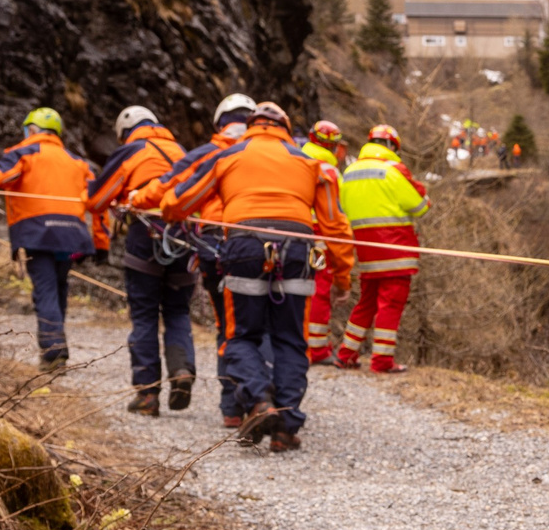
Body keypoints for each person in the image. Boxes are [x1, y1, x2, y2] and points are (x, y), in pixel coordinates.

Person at [154, 100, 349, 451]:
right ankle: (286, 428)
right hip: (296, 249)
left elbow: (177, 202)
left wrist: (171, 212)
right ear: (287, 129)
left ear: (251, 125)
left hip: (243, 245)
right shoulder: (312, 162)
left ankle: (259, 401)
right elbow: (336, 226)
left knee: (241, 336)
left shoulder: (228, 156)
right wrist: (343, 278)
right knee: (290, 340)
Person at [132, 93, 256, 424]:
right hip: (276, 246)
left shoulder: (209, 153)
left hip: (218, 246)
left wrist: (136, 200)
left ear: (220, 122)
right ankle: (262, 401)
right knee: (263, 327)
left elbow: (168, 187)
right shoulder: (272, 152)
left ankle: (233, 406)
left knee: (228, 327)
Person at [0, 108, 95, 367]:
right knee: (59, 287)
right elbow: (94, 192)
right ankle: (56, 343)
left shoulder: (24, 153)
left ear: (32, 130)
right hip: (71, 233)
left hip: (38, 232)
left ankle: (53, 350)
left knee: (45, 289)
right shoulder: (77, 161)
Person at [87, 106, 195, 415]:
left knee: (146, 314)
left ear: (124, 132)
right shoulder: (181, 150)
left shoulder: (131, 150)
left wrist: (120, 201)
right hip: (184, 237)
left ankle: (148, 395)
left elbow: (97, 200)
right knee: (177, 310)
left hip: (145, 236)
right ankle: (181, 370)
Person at [336, 123, 430, 373]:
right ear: (391, 146)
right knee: (391, 305)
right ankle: (382, 361)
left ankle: (346, 354)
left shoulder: (349, 171)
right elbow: (420, 206)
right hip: (396, 251)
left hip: (366, 252)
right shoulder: (394, 170)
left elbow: (343, 209)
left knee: (366, 303)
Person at [299, 120, 358, 365]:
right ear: (335, 148)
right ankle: (317, 350)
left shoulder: (296, 162)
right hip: (320, 239)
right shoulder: (329, 172)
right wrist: (344, 270)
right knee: (319, 292)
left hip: (290, 235)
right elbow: (335, 219)